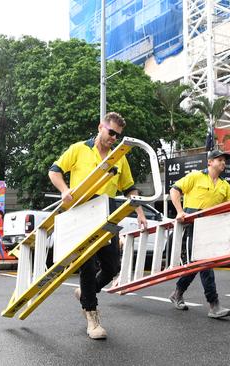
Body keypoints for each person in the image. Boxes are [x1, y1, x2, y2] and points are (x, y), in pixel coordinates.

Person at [48, 112, 148, 340]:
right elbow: (54, 171)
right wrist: (65, 190)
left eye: (118, 135)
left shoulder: (119, 157)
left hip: (107, 211)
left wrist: (140, 211)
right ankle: (91, 315)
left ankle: (86, 292)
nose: (114, 137)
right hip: (82, 210)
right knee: (87, 265)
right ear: (100, 127)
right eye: (111, 132)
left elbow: (129, 188)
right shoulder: (78, 149)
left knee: (112, 267)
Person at [168, 149, 230, 318]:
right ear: (210, 162)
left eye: (224, 161)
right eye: (220, 160)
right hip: (193, 226)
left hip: (211, 228)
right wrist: (179, 211)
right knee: (204, 263)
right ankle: (214, 304)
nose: (223, 163)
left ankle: (178, 293)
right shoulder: (195, 176)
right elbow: (174, 190)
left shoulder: (224, 185)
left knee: (199, 264)